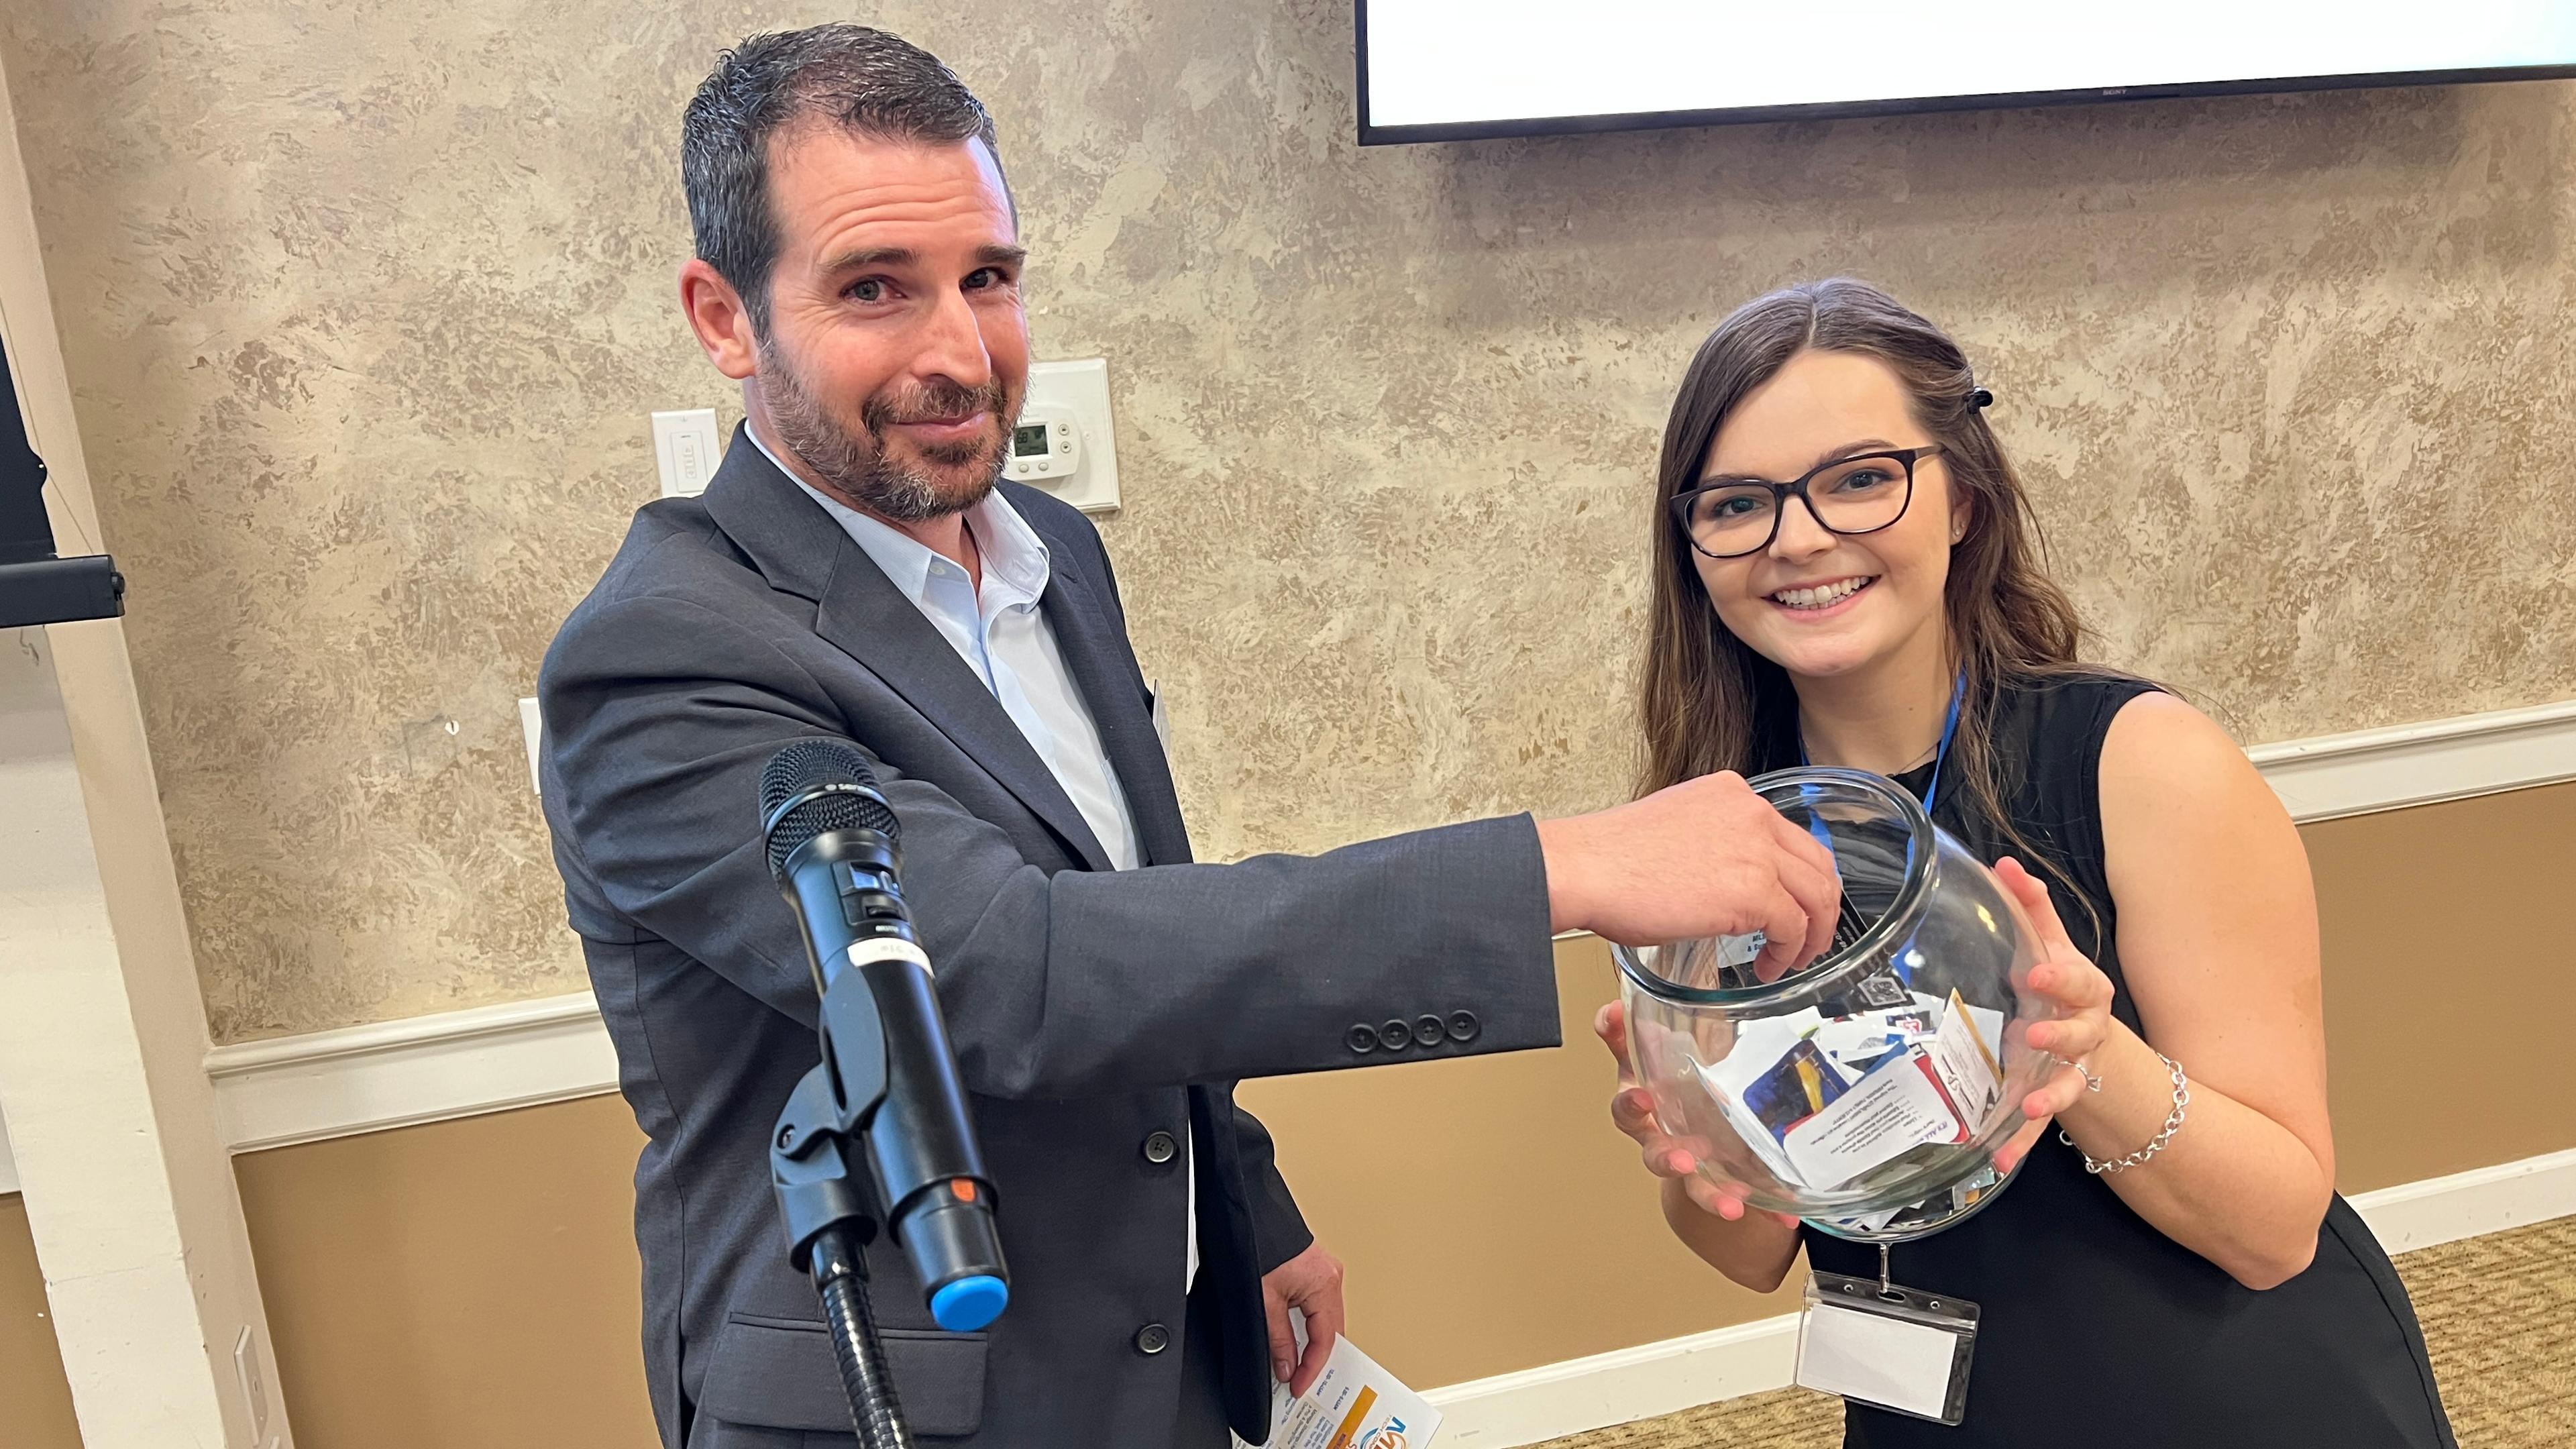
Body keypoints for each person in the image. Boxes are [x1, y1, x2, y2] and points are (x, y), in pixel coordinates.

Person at [539, 26, 1842, 1449]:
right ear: (725, 317)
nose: (961, 352)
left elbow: (1138, 912)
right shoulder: (662, 655)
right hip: (899, 1397)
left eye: (989, 278)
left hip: (1154, 1359)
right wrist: (1562, 867)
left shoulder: (1047, 551)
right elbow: (1016, 971)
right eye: (874, 288)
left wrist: (1248, 1210)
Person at [1597, 279, 2456, 1446]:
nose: (1798, 539)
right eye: (1739, 503)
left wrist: (2085, 1057)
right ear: (1693, 544)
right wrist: (1698, 1147)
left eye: (1860, 479)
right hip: (1935, 1405)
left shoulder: (2143, 762)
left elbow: (2275, 1231)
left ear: (1962, 499)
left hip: (2224, 1399)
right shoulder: (1708, 834)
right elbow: (1746, 1255)